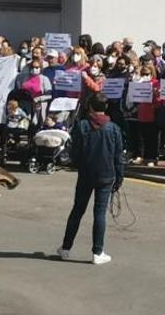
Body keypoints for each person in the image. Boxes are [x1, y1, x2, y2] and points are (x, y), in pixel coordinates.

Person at [58, 94, 125, 265]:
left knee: (77, 210)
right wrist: (119, 177)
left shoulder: (82, 126)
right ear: (106, 107)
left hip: (86, 173)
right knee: (99, 214)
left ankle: (66, 248)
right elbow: (118, 156)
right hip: (106, 174)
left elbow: (74, 152)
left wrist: (79, 165)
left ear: (90, 107)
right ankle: (97, 252)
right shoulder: (113, 128)